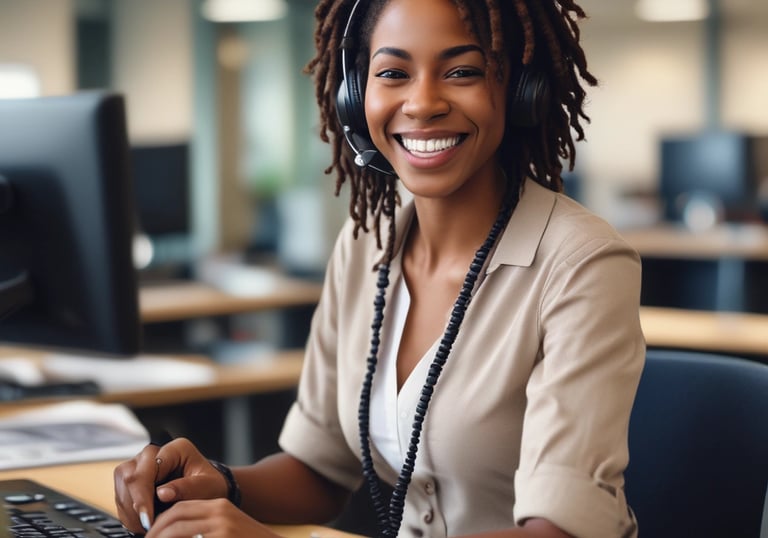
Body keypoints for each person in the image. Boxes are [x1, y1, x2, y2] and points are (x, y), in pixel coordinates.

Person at [114, 0, 646, 536]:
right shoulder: (365, 244)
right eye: (393, 73)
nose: (422, 103)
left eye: (462, 71)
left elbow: (557, 532)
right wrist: (221, 485)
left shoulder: (583, 264)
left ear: (520, 90)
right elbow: (318, 470)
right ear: (353, 98)